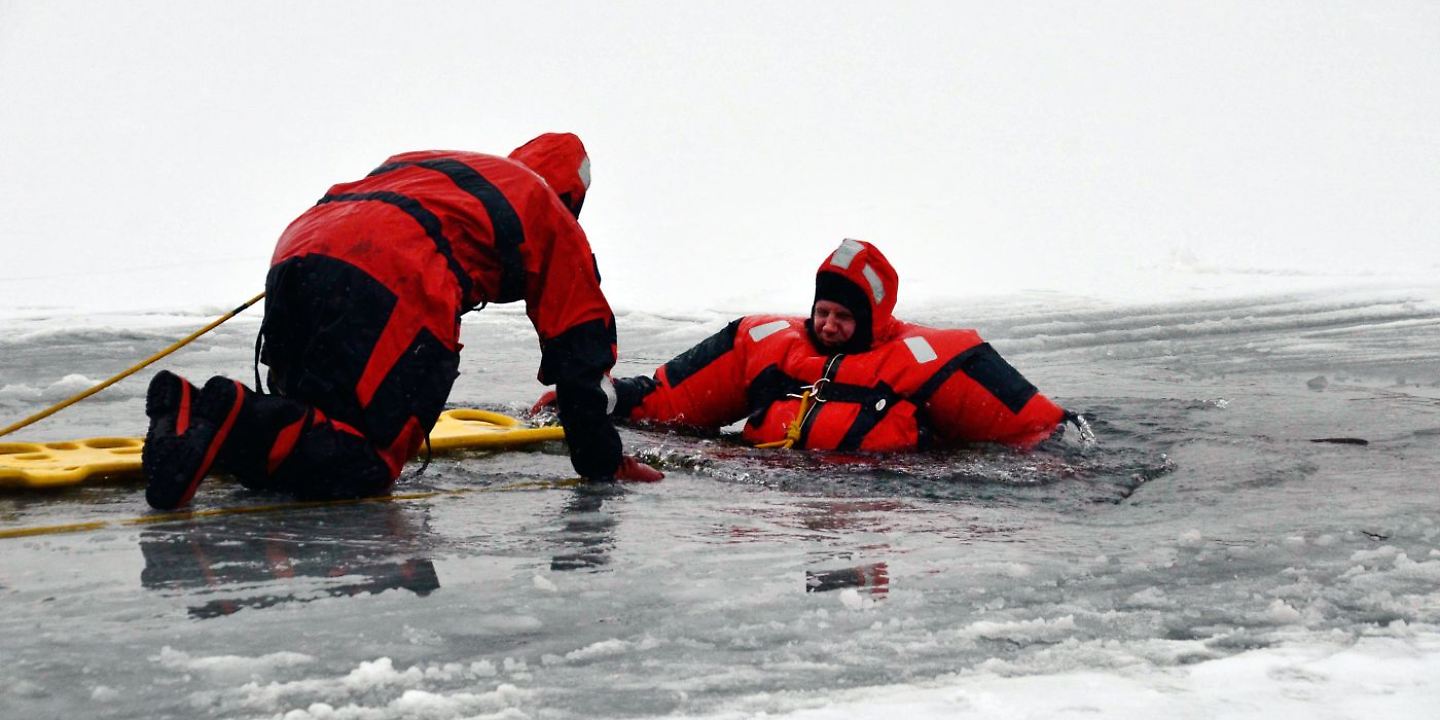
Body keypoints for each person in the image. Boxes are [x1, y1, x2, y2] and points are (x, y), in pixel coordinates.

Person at [143, 133, 661, 511]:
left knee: (307, 417)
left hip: (301, 249)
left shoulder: (447, 168)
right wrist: (602, 462)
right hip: (394, 270)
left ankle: (192, 413)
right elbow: (580, 349)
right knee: (365, 461)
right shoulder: (550, 214)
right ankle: (226, 412)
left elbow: (368, 212)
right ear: (573, 198)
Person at [538, 239, 1067, 451]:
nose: (830, 325)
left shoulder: (932, 361)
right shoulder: (765, 343)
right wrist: (595, 397)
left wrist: (1066, 449)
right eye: (823, 312)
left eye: (843, 316)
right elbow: (669, 398)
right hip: (776, 491)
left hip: (879, 499)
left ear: (871, 317)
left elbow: (1035, 427)